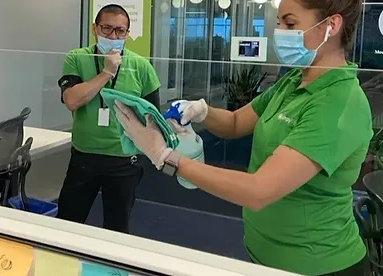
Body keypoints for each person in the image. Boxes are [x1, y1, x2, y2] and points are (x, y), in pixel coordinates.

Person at [113, 0, 373, 275]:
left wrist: (166, 157)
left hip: (317, 266)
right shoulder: (295, 81)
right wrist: (201, 111)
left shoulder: (338, 103)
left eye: (290, 23)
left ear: (330, 26)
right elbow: (236, 123)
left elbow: (259, 190)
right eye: (278, 23)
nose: (280, 32)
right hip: (265, 256)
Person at [56, 4, 161, 233]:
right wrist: (106, 73)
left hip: (124, 161)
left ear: (127, 34)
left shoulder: (141, 67)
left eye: (120, 31)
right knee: (67, 224)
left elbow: (154, 118)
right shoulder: (76, 58)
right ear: (95, 29)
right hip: (84, 157)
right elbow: (72, 101)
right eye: (107, 29)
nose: (113, 36)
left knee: (116, 230)